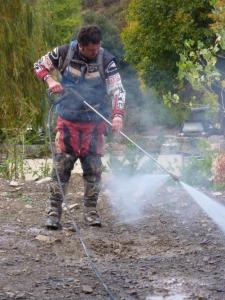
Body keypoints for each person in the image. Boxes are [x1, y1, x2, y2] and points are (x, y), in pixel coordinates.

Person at [34, 25, 126, 229]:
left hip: (95, 124)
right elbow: (39, 65)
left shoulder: (106, 60)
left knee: (93, 171)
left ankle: (91, 212)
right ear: (82, 46)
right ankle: (53, 214)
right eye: (92, 50)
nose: (96, 52)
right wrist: (50, 81)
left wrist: (118, 115)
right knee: (60, 170)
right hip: (67, 122)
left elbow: (118, 90)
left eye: (98, 47)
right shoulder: (63, 53)